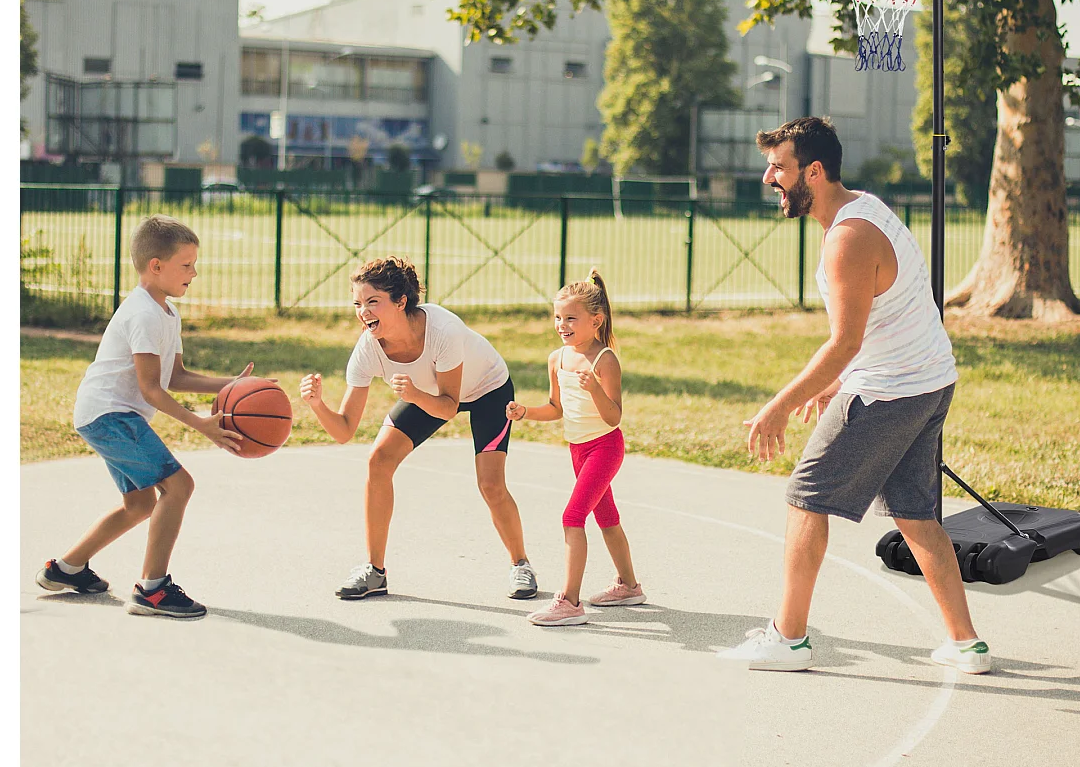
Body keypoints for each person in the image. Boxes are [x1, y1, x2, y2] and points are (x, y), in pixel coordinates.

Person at [719, 117, 990, 674]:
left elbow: (844, 341)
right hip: (929, 381)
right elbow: (886, 317)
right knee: (916, 516)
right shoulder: (862, 209)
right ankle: (966, 644)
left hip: (890, 391)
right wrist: (842, 379)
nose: (770, 177)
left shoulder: (847, 236)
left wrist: (779, 405)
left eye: (780, 168)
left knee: (805, 499)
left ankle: (788, 638)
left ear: (813, 172)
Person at [35, 215, 250, 620]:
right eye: (186, 265)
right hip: (110, 414)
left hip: (106, 414)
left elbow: (175, 377)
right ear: (156, 265)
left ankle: (66, 569)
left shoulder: (166, 312)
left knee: (139, 504)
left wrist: (233, 385)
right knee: (179, 486)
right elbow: (152, 389)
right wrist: (200, 423)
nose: (194, 272)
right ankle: (153, 590)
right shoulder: (145, 315)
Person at [298, 256, 539, 601]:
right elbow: (344, 430)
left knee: (490, 484)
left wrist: (412, 393)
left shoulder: (442, 331)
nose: (363, 311)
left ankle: (521, 564)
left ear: (401, 301)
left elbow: (448, 405)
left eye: (373, 302)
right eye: (358, 303)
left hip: (486, 389)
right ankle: (375, 571)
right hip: (426, 391)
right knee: (378, 461)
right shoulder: (368, 349)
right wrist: (318, 405)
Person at [506, 270, 645, 626]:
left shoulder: (605, 361)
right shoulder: (558, 358)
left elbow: (613, 417)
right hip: (578, 450)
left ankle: (569, 601)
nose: (561, 324)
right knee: (606, 518)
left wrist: (595, 388)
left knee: (573, 517)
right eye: (557, 317)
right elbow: (555, 409)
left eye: (570, 318)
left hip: (605, 447)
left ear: (595, 321)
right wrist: (524, 412)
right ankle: (629, 586)